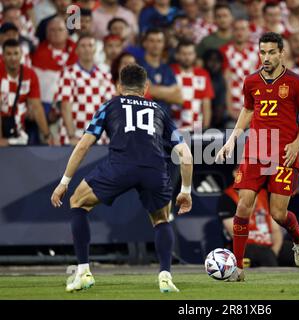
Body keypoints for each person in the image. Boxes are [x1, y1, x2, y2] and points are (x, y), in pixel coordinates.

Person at [50, 63, 193, 292]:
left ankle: (83, 273)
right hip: (154, 169)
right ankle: (165, 276)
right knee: (161, 220)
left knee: (77, 201)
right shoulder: (159, 110)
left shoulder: (110, 106)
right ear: (146, 88)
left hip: (120, 167)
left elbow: (83, 146)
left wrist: (64, 182)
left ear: (118, 86)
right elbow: (185, 155)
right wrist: (185, 191)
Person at [216, 32, 299, 281]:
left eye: (271, 52)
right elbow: (249, 109)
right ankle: (237, 268)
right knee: (243, 204)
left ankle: (298, 237)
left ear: (282, 53)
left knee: (278, 215)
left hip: (284, 152)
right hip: (256, 148)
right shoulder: (251, 82)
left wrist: (296, 143)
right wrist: (232, 139)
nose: (266, 57)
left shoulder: (295, 82)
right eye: (262, 52)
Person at [218, 170, 290, 268]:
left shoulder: (264, 194)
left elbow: (276, 230)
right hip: (245, 245)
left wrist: (275, 251)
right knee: (265, 254)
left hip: (269, 245)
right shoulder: (227, 197)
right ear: (235, 173)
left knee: (297, 251)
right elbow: (234, 231)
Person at [53, 35, 115, 145]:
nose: (87, 49)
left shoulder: (105, 75)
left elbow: (111, 107)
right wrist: (72, 135)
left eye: (90, 45)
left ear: (95, 49)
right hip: (75, 138)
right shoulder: (68, 73)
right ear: (76, 51)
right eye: (83, 46)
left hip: (100, 138)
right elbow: (65, 106)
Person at [0, 39, 51, 146]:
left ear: (21, 55)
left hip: (19, 132)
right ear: (3, 56)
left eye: (16, 53)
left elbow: (37, 107)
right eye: (9, 54)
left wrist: (47, 135)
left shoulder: (30, 75)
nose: (13, 58)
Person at [221, 19, 260, 125]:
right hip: (233, 109)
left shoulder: (258, 51)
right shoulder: (225, 51)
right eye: (236, 29)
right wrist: (230, 110)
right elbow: (226, 83)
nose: (239, 33)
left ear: (248, 31)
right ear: (232, 31)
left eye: (243, 29)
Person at [171, 40, 214, 131]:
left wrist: (205, 128)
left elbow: (206, 104)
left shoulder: (203, 74)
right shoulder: (170, 71)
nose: (187, 57)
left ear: (195, 55)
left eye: (190, 54)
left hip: (197, 129)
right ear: (177, 55)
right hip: (174, 128)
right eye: (184, 54)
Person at [137, 28, 183, 112]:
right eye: (152, 41)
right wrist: (169, 92)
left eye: (159, 41)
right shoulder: (137, 66)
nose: (156, 45)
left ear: (163, 44)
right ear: (144, 43)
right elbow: (144, 92)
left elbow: (179, 98)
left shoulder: (167, 69)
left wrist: (153, 91)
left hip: (163, 121)